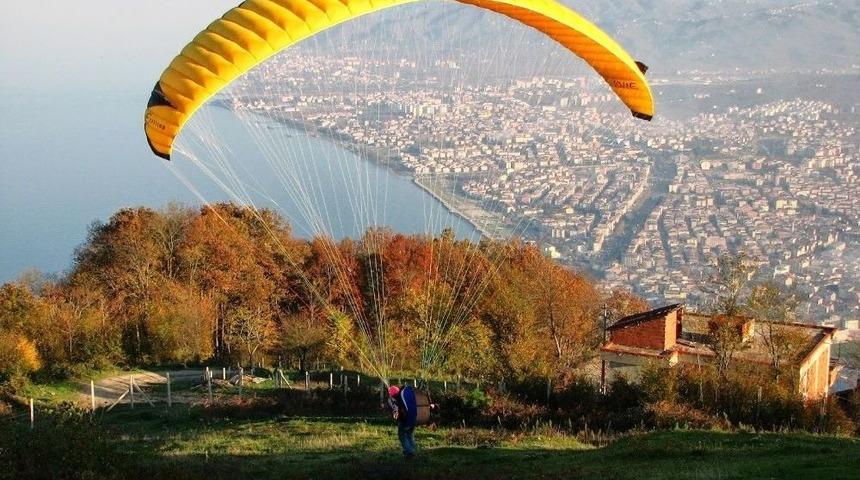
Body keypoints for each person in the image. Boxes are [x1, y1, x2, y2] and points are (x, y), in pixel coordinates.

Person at [387, 385, 418, 458]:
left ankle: (409, 452)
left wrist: (395, 413)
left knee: (402, 436)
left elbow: (395, 409)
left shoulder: (394, 399)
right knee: (410, 435)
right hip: (413, 419)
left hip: (404, 421)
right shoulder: (405, 395)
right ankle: (413, 450)